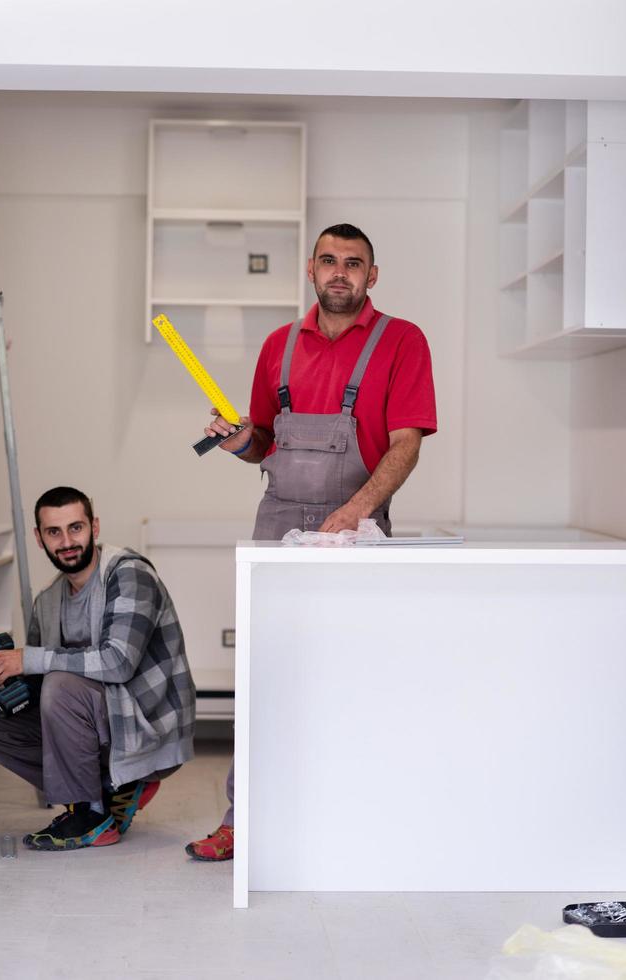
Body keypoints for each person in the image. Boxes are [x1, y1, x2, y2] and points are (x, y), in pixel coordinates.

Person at [185, 222, 437, 862]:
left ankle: (352, 828)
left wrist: (355, 512)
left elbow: (405, 444)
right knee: (267, 676)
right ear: (311, 269)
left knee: (356, 677)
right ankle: (244, 822)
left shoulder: (402, 341)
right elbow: (266, 443)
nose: (340, 272)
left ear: (371, 276)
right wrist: (241, 443)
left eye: (354, 262)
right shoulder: (278, 346)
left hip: (359, 526)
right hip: (278, 524)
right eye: (329, 260)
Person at [0, 486, 195, 852]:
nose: (67, 541)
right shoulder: (47, 601)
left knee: (61, 684)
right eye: (54, 532)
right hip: (103, 725)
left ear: (94, 526)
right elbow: (34, 686)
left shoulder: (129, 575)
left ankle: (89, 816)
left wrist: (29, 657)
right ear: (39, 538)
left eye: (75, 528)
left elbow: (119, 662)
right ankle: (111, 794)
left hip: (147, 725)